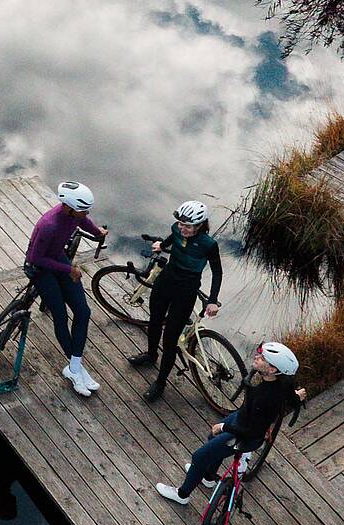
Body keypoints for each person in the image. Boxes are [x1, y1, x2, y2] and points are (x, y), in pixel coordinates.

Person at [155, 342, 305, 504]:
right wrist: (297, 398)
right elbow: (291, 398)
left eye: (262, 358)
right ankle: (207, 477)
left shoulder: (265, 398)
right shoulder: (283, 381)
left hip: (245, 434)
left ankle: (182, 495)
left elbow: (251, 432)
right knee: (212, 439)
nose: (256, 357)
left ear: (272, 370)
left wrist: (224, 427)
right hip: (243, 417)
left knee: (199, 457)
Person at [127, 200, 223, 402]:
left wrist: (213, 300)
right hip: (166, 281)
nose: (182, 228)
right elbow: (173, 236)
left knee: (170, 339)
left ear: (200, 226)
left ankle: (160, 382)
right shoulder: (178, 228)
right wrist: (162, 245)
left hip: (186, 290)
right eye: (180, 223)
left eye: (187, 226)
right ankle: (151, 355)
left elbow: (217, 272)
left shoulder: (208, 244)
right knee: (154, 321)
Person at [26, 181, 108, 396]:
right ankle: (77, 369)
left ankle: (74, 368)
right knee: (61, 316)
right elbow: (35, 258)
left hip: (58, 260)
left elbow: (84, 222)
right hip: (41, 268)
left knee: (83, 311)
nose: (87, 213)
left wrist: (97, 231)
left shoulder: (74, 216)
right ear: (70, 208)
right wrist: (68, 269)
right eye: (83, 210)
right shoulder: (49, 225)